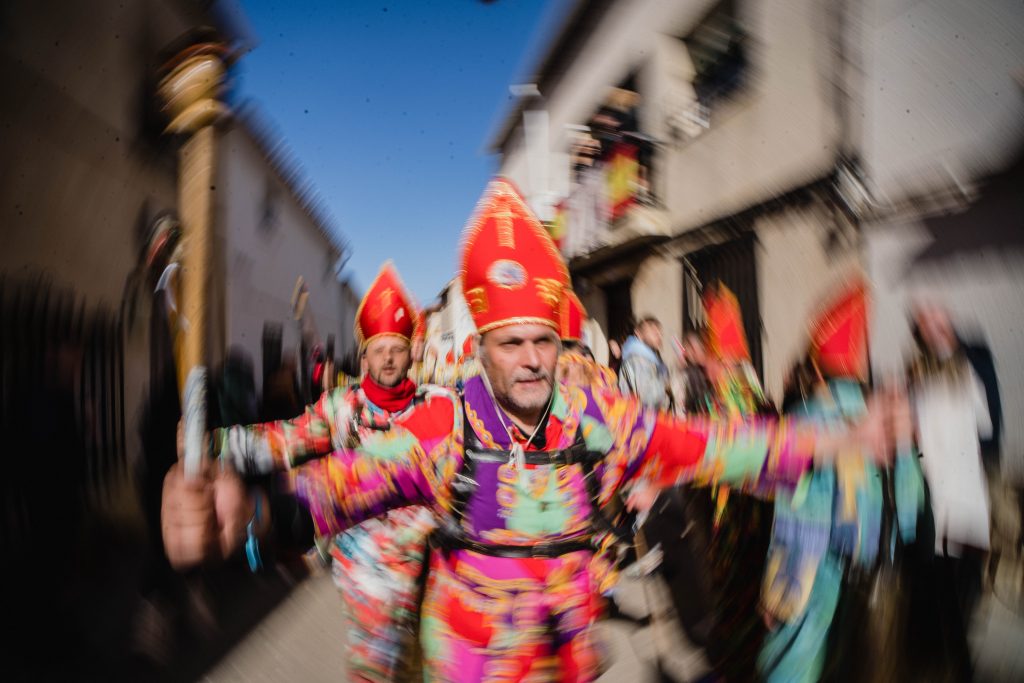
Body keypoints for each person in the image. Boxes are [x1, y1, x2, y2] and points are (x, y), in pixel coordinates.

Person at [161, 179, 893, 682]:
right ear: (480, 347)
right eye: (511, 343)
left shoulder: (602, 420)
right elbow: (332, 491)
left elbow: (713, 446)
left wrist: (837, 441)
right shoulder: (441, 428)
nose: (533, 359)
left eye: (543, 339)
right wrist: (246, 516)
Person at [324, 262, 438, 683]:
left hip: (425, 574)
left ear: (411, 352)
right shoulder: (341, 409)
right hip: (367, 577)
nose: (388, 358)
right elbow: (282, 439)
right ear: (364, 356)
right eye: (379, 349)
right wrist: (215, 445)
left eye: (397, 348)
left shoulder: (438, 407)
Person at [619, 316, 672, 411]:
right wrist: (666, 386)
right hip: (639, 417)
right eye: (652, 330)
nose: (658, 335)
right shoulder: (637, 359)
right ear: (638, 333)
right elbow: (647, 398)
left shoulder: (651, 359)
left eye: (660, 332)